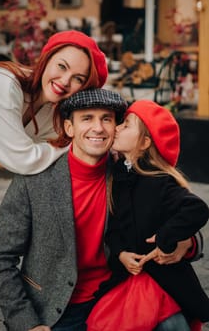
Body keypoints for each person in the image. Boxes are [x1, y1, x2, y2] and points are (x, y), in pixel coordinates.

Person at [0, 90, 203, 331]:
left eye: (107, 119)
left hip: (115, 295)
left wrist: (187, 242)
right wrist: (26, 322)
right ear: (69, 128)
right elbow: (1, 258)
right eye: (87, 118)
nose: (98, 128)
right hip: (54, 310)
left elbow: (167, 214)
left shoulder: (127, 174)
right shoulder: (34, 180)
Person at [86, 100, 209, 331]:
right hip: (127, 280)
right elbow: (114, 229)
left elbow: (197, 209)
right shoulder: (117, 177)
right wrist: (121, 253)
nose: (118, 127)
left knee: (171, 324)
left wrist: (167, 238)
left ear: (144, 142)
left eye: (127, 124)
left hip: (162, 282)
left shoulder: (159, 181)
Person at [0, 30, 108, 174]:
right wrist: (74, 146)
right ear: (46, 60)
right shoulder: (4, 88)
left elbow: (68, 138)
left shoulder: (48, 110)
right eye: (62, 66)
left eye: (78, 79)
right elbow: (24, 161)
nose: (65, 81)